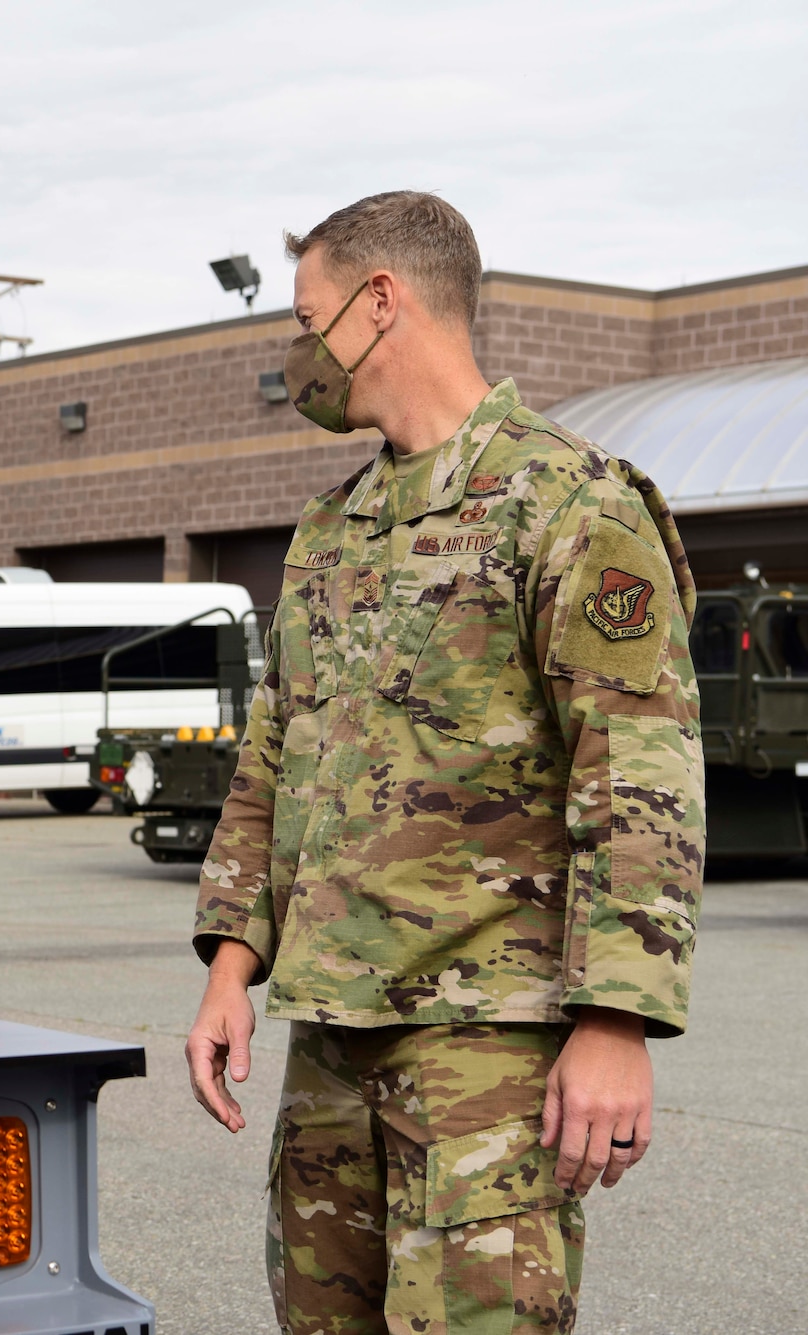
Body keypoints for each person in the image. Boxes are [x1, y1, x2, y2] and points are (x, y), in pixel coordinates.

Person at [184, 192, 701, 1334]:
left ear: (381, 302)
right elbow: (273, 756)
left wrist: (615, 1022)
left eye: (307, 316)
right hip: (329, 1051)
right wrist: (230, 961)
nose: (297, 352)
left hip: (487, 1061)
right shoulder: (331, 529)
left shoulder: (565, 504)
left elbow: (639, 780)